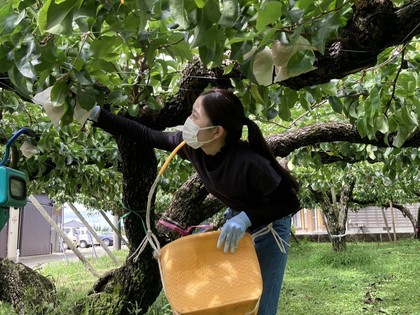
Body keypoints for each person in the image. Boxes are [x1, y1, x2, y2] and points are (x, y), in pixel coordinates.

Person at [89, 88, 300, 315]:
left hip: (269, 227)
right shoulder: (192, 147)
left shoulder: (251, 164)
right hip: (236, 222)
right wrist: (96, 114)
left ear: (216, 131)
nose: (187, 121)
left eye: (195, 116)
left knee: (261, 303)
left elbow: (289, 203)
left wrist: (246, 218)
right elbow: (146, 134)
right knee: (234, 297)